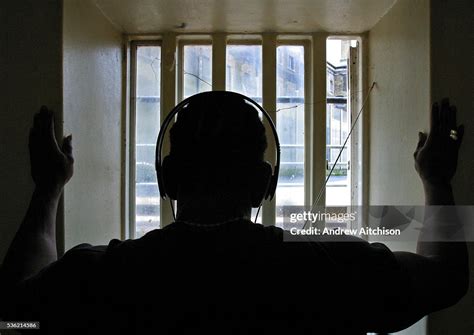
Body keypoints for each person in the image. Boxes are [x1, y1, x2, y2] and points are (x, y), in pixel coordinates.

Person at [0, 95, 468, 334]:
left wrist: (47, 191)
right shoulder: (333, 270)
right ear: (264, 183)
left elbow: (12, 318)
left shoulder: (97, 277)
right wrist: (437, 181)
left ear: (167, 180)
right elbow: (447, 280)